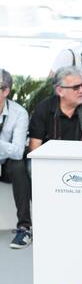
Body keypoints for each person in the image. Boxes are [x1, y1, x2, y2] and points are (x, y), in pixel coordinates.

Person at [29, 66, 82, 151]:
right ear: (60, 91)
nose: (81, 90)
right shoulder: (43, 109)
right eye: (76, 87)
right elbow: (35, 148)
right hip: (50, 161)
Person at [0, 69, 32, 249]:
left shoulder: (19, 113)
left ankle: (24, 228)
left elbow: (18, 151)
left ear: (6, 91)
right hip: (6, 154)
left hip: (7, 165)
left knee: (19, 166)